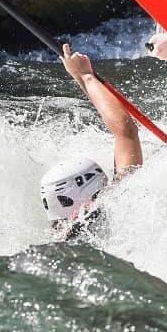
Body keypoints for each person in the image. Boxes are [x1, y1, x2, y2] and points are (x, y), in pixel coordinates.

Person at [39, 44, 143, 238]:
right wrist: (86, 75)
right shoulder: (116, 208)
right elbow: (125, 131)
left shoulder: (59, 238)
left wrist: (81, 76)